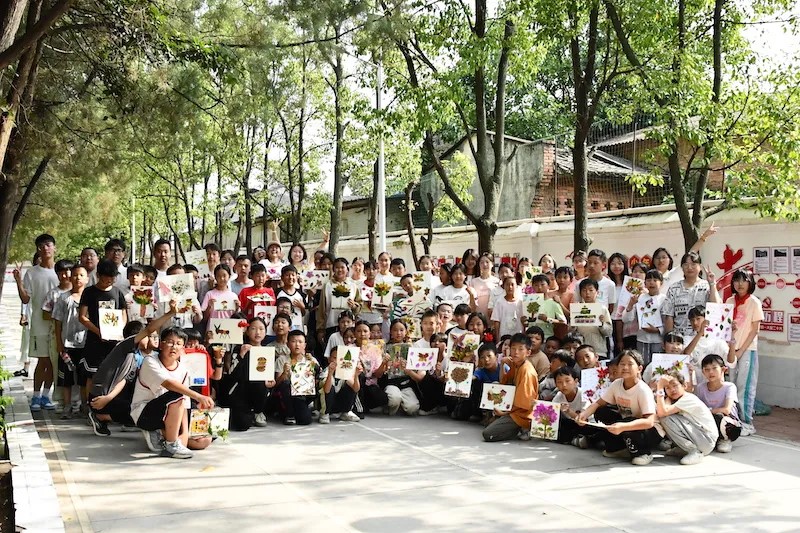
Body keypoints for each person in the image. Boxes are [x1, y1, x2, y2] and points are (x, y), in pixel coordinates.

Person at [88, 304, 179, 436]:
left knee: (142, 408)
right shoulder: (124, 346)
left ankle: (105, 417)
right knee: (139, 412)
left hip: (108, 397)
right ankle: (100, 416)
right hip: (98, 399)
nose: (149, 339)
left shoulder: (134, 355)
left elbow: (124, 380)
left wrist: (109, 398)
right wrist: (170, 313)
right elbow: (149, 329)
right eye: (147, 336)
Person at [130, 327, 214, 459]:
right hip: (145, 414)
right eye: (170, 342)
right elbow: (168, 384)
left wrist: (184, 434)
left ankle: (164, 436)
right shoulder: (150, 361)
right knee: (177, 394)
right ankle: (170, 444)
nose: (174, 347)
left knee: (204, 441)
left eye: (179, 344)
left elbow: (184, 405)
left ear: (183, 348)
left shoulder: (183, 369)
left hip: (171, 414)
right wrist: (198, 396)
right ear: (161, 344)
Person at [577, 350, 659, 466]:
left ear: (639, 368)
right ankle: (622, 448)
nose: (625, 367)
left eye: (630, 364)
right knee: (602, 411)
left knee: (628, 421)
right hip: (626, 425)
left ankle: (644, 453)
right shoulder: (616, 384)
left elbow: (650, 422)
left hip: (650, 431)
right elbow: (598, 403)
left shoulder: (643, 390)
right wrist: (584, 414)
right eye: (622, 364)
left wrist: (623, 426)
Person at [20, 234, 59, 410]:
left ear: (54, 247)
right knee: (42, 361)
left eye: (48, 245)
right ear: (38, 249)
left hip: (57, 324)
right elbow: (26, 299)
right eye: (42, 246)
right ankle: (35, 396)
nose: (45, 248)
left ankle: (46, 396)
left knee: (52, 362)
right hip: (39, 323)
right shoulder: (32, 272)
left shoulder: (61, 271)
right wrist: (18, 282)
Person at [216, 317, 274, 431]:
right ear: (247, 331)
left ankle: (258, 412)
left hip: (258, 390)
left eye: (261, 329)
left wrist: (270, 381)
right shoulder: (239, 349)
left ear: (265, 332)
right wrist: (241, 355)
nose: (257, 332)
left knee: (261, 385)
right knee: (242, 425)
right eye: (253, 329)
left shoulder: (267, 351)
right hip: (240, 391)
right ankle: (246, 413)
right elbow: (231, 373)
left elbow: (268, 373)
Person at [724, 269, 762, 435]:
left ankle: (747, 422)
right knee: (731, 384)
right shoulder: (730, 301)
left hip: (748, 349)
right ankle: (734, 419)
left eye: (744, 280)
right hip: (731, 349)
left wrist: (741, 351)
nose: (740, 284)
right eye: (736, 280)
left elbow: (754, 331)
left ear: (750, 283)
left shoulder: (754, 302)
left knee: (745, 387)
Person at [482, 333, 538, 442]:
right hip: (511, 406)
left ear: (528, 352)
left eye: (520, 349)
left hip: (522, 414)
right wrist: (504, 361)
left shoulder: (527, 371)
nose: (516, 352)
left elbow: (524, 405)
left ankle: (522, 428)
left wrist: (504, 413)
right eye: (513, 348)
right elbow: (504, 383)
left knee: (488, 434)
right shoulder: (515, 364)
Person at [655, 373, 718, 465]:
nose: (672, 390)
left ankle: (694, 452)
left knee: (666, 419)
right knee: (665, 417)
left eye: (675, 386)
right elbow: (662, 410)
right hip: (700, 437)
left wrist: (660, 387)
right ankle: (684, 448)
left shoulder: (688, 398)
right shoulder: (676, 400)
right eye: (667, 388)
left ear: (684, 385)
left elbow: (662, 412)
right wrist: (666, 397)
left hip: (706, 440)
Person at [661, 251, 718, 339]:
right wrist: (670, 339)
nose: (689, 267)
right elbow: (669, 316)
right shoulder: (674, 288)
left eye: (693, 264)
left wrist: (712, 284)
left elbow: (715, 307)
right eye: (686, 265)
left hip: (704, 338)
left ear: (700, 267)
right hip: (680, 339)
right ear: (682, 267)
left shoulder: (707, 286)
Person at [651, 223, 717, 294]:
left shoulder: (674, 273)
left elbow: (691, 252)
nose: (661, 260)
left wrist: (704, 237)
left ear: (670, 260)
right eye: (658, 258)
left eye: (664, 257)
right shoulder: (648, 277)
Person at [695, 354, 742, 453]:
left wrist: (708, 412)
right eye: (707, 369)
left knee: (720, 418)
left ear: (723, 369)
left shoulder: (729, 387)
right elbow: (698, 408)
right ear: (703, 372)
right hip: (709, 419)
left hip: (727, 421)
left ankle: (725, 440)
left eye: (714, 368)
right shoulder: (701, 388)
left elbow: (726, 409)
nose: (711, 372)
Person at [272, 330, 319, 425]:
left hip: (303, 395)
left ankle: (303, 409)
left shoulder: (311, 359)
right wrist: (284, 373)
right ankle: (289, 414)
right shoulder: (282, 360)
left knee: (305, 420)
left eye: (300, 342)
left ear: (304, 345)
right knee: (286, 384)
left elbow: (318, 379)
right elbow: (276, 384)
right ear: (288, 344)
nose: (297, 345)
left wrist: (313, 369)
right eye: (293, 341)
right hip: (287, 395)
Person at [623, 268, 664, 366]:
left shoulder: (665, 299)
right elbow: (626, 319)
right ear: (644, 283)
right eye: (649, 280)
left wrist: (658, 330)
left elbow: (669, 320)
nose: (651, 283)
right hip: (642, 339)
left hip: (659, 340)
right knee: (642, 365)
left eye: (655, 280)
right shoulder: (638, 298)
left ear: (661, 283)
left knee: (657, 366)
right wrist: (631, 304)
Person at [572, 278, 613, 359]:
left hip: (599, 351)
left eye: (591, 290)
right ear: (580, 293)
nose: (587, 293)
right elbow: (571, 332)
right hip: (581, 351)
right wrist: (573, 326)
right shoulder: (577, 310)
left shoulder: (602, 309)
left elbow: (609, 332)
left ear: (597, 292)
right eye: (584, 290)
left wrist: (602, 324)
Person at [320, 347, 364, 423]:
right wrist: (330, 373)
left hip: (338, 402)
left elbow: (356, 389)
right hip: (325, 404)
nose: (337, 361)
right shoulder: (325, 372)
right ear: (329, 359)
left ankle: (345, 412)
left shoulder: (345, 371)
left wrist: (356, 375)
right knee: (330, 388)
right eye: (334, 358)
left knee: (349, 387)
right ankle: (325, 413)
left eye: (339, 358)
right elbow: (326, 390)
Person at [573, 249, 617, 314]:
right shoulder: (579, 284)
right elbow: (577, 303)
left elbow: (611, 307)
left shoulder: (610, 284)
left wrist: (604, 317)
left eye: (595, 263)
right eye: (589, 262)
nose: (591, 266)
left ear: (603, 265)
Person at [201, 264, 240, 330]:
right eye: (219, 276)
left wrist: (237, 307)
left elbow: (237, 316)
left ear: (229, 276)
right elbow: (204, 318)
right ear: (215, 277)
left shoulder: (233, 296)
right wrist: (209, 307)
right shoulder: (209, 294)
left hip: (229, 328)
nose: (222, 278)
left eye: (224, 276)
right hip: (213, 328)